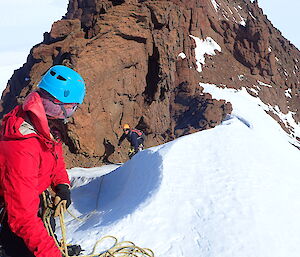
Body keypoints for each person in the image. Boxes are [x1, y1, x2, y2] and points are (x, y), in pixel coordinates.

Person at [0, 65, 86, 257]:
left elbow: (54, 157)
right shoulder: (23, 147)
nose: (71, 114)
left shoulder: (44, 125)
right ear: (57, 103)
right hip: (15, 219)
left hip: (32, 202)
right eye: (72, 107)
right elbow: (22, 218)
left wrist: (62, 184)